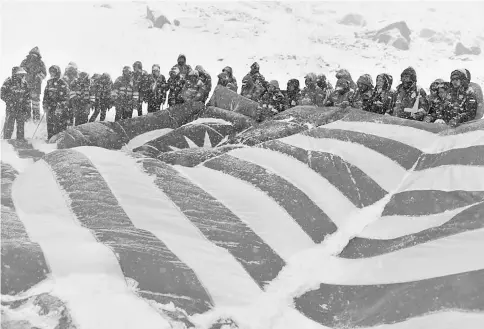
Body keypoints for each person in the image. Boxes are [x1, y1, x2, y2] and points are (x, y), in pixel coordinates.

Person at [1, 67, 30, 140]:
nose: (22, 76)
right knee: (9, 125)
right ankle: (6, 141)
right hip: (11, 108)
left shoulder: (24, 83)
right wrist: (10, 102)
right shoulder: (8, 81)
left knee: (20, 126)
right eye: (20, 74)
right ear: (15, 74)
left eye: (22, 74)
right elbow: (2, 94)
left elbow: (27, 96)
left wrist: (27, 108)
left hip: (21, 108)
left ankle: (20, 140)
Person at [42, 65, 70, 139]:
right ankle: (50, 138)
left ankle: (59, 139)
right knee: (50, 123)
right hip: (50, 107)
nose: (52, 73)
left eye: (54, 71)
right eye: (51, 72)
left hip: (60, 108)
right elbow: (46, 95)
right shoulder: (49, 82)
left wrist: (60, 105)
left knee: (59, 124)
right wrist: (45, 105)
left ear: (57, 72)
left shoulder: (63, 83)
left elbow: (66, 97)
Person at [20, 46, 47, 122]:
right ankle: (33, 119)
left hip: (30, 86)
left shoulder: (27, 61)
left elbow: (44, 73)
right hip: (32, 86)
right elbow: (20, 71)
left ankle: (30, 119)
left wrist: (38, 77)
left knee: (28, 103)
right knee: (32, 104)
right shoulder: (39, 62)